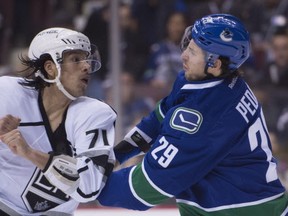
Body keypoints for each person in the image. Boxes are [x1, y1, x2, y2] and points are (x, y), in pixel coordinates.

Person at [97, 14, 288, 215]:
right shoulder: (205, 81)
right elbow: (159, 118)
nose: (184, 55)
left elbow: (143, 189)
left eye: (193, 52)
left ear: (215, 64)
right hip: (252, 202)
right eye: (189, 45)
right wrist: (117, 155)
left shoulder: (204, 115)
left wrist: (87, 185)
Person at [0, 27, 116, 216]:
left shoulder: (94, 114)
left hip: (56, 212)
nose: (86, 66)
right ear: (50, 67)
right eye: (76, 59)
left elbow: (89, 188)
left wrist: (29, 153)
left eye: (86, 59)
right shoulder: (6, 94)